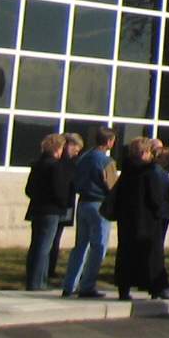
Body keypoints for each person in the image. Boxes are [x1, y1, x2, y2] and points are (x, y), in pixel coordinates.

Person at [108, 138, 169, 301]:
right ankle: (156, 287)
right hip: (148, 219)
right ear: (145, 152)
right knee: (151, 254)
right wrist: (160, 210)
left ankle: (124, 287)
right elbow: (155, 197)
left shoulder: (127, 170)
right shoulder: (148, 171)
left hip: (127, 219)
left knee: (126, 253)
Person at [61, 126, 116, 298]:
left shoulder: (83, 157)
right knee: (99, 246)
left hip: (83, 202)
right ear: (108, 142)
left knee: (80, 245)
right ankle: (87, 285)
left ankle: (69, 283)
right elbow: (112, 186)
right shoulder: (106, 162)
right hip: (99, 203)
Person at [23, 133, 74, 291]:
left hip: (37, 208)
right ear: (58, 149)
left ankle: (31, 279)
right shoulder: (55, 165)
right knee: (44, 248)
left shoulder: (37, 164)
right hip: (51, 210)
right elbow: (59, 190)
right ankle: (38, 282)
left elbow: (29, 189)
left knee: (36, 245)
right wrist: (63, 203)